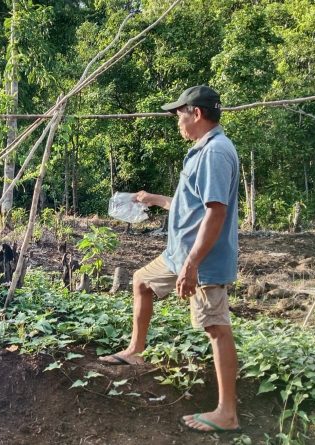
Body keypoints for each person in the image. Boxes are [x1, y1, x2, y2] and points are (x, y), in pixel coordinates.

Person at [98, 85, 241, 433]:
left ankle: (227, 412)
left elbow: (215, 213)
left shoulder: (216, 153)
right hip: (179, 254)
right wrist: (155, 199)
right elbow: (191, 202)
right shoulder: (200, 150)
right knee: (141, 281)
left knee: (216, 328)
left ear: (197, 113)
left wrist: (192, 265)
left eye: (179, 112)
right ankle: (136, 348)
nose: (176, 119)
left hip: (202, 259)